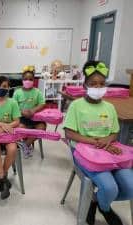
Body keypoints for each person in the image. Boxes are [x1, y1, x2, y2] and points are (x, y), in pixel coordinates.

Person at [63, 61, 133, 225]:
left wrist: (108, 141)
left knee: (130, 186)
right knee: (109, 187)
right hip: (84, 152)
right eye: (93, 84)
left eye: (101, 84)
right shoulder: (76, 106)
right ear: (85, 85)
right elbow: (69, 133)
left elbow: (114, 132)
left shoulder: (109, 107)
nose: (98, 87)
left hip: (108, 151)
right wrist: (95, 142)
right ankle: (106, 208)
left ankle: (97, 202)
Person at [13, 67, 46, 158]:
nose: (28, 81)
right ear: (22, 80)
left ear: (34, 80)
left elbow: (42, 103)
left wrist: (33, 110)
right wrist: (21, 112)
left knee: (42, 128)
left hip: (35, 118)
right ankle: (25, 144)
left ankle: (25, 145)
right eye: (25, 79)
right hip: (22, 118)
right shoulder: (17, 92)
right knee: (20, 129)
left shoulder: (37, 92)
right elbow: (13, 106)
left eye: (30, 79)